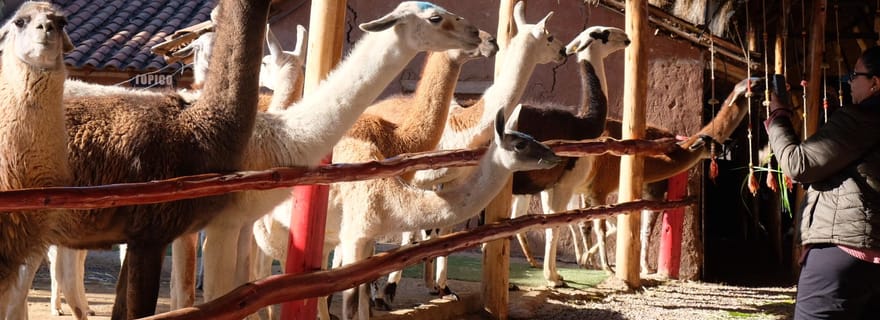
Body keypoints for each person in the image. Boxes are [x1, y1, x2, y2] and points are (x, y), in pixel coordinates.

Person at [765, 47, 880, 319]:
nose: (850, 82)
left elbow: (798, 164)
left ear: (875, 82)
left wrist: (778, 118)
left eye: (855, 75)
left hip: (844, 253)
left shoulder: (860, 119)